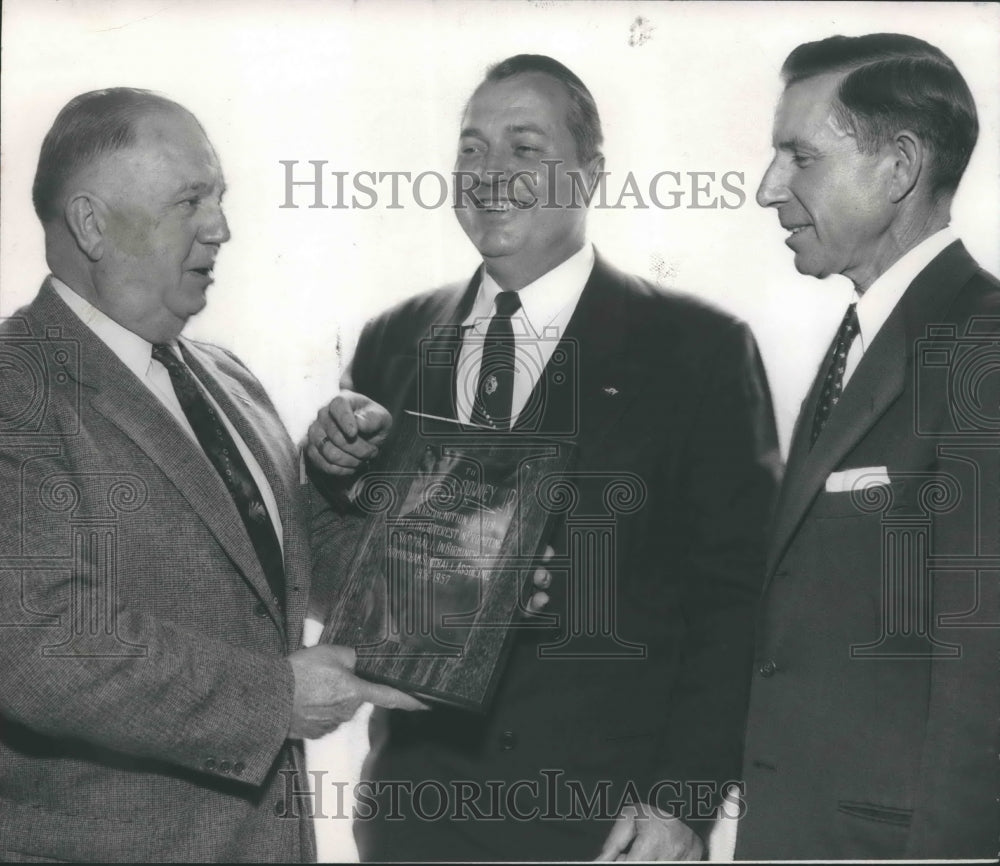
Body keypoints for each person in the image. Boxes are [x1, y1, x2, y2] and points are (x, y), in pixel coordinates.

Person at [308, 54, 781, 861]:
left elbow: (737, 601)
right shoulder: (391, 339)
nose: (489, 174)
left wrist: (683, 804)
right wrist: (333, 480)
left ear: (590, 173)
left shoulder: (698, 348)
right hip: (412, 822)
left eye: (525, 148)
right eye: (470, 148)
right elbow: (340, 583)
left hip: (602, 827)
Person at [0, 87, 424, 862]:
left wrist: (463, 574)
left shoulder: (225, 376)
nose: (221, 228)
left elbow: (285, 581)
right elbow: (35, 643)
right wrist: (276, 699)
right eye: (190, 200)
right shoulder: (15, 384)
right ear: (92, 224)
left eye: (220, 198)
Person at [737, 34, 1000, 859]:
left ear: (899, 168)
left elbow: (982, 664)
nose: (767, 188)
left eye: (799, 156)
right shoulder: (868, 335)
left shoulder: (980, 346)